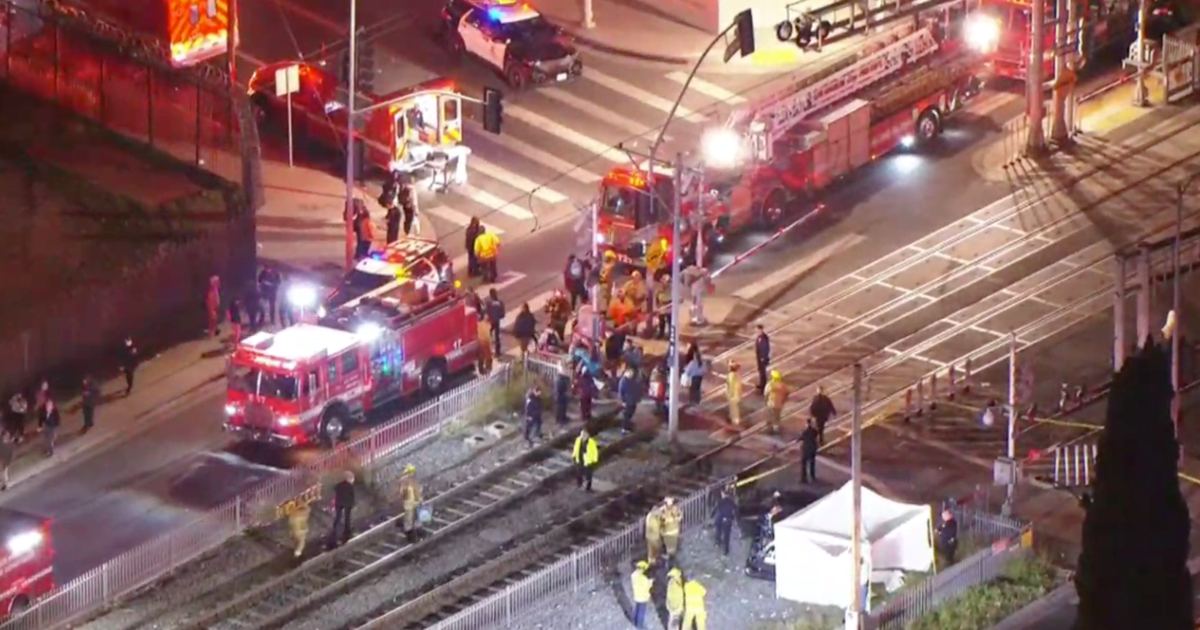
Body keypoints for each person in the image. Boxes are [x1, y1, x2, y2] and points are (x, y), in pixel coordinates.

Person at [328, 471, 356, 548]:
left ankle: (335, 531)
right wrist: (353, 504)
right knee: (347, 518)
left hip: (339, 503)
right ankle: (347, 532)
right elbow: (352, 496)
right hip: (347, 504)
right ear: (350, 479)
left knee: (338, 517)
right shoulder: (350, 486)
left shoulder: (339, 485)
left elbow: (335, 489)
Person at [398, 464, 423, 540]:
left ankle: (419, 530)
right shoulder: (404, 483)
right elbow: (403, 494)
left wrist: (419, 499)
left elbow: (417, 491)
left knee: (419, 515)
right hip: (409, 503)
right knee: (409, 518)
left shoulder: (413, 482)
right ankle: (410, 534)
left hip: (414, 501)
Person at [712, 486, 737, 556]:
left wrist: (712, 516)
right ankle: (726, 549)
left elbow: (716, 509)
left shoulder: (721, 501)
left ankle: (718, 542)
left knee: (719, 531)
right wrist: (732, 518)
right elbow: (735, 510)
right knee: (727, 535)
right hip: (728, 520)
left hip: (722, 519)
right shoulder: (731, 502)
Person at [630, 560, 653, 629]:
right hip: (643, 597)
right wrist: (650, 581)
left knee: (637, 609)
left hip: (636, 595)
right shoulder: (643, 578)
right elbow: (647, 586)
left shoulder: (634, 575)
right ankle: (639, 625)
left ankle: (636, 621)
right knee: (641, 612)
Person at [617, 369, 640, 434]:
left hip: (633, 400)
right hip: (628, 401)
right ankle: (624, 428)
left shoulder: (632, 380)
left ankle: (627, 426)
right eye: (630, 373)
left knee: (630, 413)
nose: (631, 374)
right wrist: (623, 401)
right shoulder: (623, 381)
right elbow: (621, 392)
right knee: (626, 415)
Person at [484, 289, 505, 356]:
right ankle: (497, 351)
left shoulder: (489, 303)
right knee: (497, 336)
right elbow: (502, 313)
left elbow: (486, 311)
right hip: (497, 320)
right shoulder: (499, 302)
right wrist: (499, 316)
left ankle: (488, 350)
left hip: (491, 321)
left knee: (487, 335)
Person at [800, 418, 819, 483]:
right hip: (813, 448)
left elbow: (801, 438)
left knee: (804, 464)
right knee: (812, 463)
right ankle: (812, 475)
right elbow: (816, 434)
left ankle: (804, 478)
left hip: (806, 448)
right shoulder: (814, 431)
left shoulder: (805, 431)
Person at [554, 361, 572, 429]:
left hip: (564, 395)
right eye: (563, 369)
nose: (565, 370)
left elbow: (567, 383)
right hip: (560, 396)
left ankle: (564, 417)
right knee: (559, 408)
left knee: (564, 407)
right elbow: (557, 389)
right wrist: (557, 396)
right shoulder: (558, 378)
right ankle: (559, 420)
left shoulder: (565, 377)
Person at [754, 324, 771, 394]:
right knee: (761, 371)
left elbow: (766, 348)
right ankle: (761, 384)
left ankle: (763, 386)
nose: (757, 331)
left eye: (758, 330)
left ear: (761, 330)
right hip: (759, 357)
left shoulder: (764, 338)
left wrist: (763, 357)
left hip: (762, 358)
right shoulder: (758, 337)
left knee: (763, 372)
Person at [726, 361, 742, 426]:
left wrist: (730, 394)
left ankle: (735, 420)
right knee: (735, 407)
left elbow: (731, 385)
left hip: (733, 394)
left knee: (733, 407)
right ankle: (733, 417)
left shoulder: (731, 375)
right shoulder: (737, 375)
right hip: (737, 393)